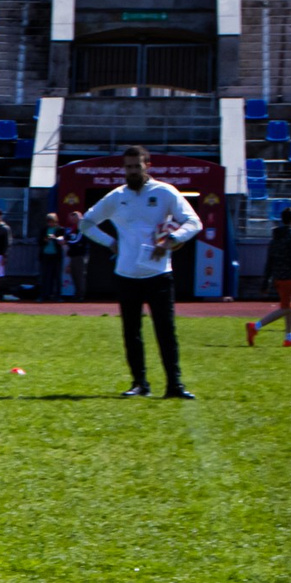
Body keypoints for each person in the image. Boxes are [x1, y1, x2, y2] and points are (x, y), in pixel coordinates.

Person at [77, 144, 200, 399]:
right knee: (131, 332)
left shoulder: (165, 192)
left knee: (166, 330)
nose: (132, 171)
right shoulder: (116, 196)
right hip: (126, 274)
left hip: (159, 273)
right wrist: (110, 242)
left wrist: (172, 239)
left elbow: (194, 221)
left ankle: (174, 385)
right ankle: (139, 384)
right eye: (128, 167)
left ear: (148, 166)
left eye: (137, 166)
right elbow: (86, 223)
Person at [248, 206, 291, 348]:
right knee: (287, 308)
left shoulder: (275, 237)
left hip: (278, 276)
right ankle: (255, 326)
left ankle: (290, 338)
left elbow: (269, 260)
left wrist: (266, 281)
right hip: (288, 276)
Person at [35, 211, 66, 302]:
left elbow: (63, 242)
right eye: (49, 222)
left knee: (57, 276)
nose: (50, 224)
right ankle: (44, 295)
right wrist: (46, 239)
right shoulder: (44, 230)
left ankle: (57, 296)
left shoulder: (60, 230)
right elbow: (39, 242)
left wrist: (55, 238)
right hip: (45, 255)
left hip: (56, 256)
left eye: (52, 222)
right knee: (45, 276)